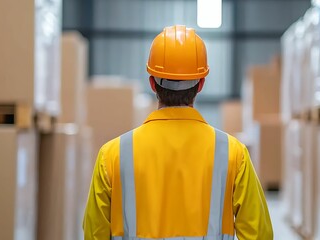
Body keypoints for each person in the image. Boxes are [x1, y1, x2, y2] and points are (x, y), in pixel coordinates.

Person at [83, 25, 273, 240]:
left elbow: (94, 234)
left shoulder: (111, 156)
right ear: (201, 84)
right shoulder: (233, 154)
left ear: (152, 83)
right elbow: (260, 235)